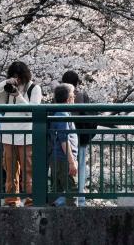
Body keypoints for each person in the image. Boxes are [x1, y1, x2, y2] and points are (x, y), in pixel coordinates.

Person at [0, 61, 42, 207]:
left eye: (18, 76)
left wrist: (18, 96)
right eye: (13, 76)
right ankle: (11, 200)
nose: (17, 79)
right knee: (10, 170)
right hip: (8, 134)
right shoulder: (8, 89)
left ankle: (31, 200)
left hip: (26, 135)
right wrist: (6, 82)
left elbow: (31, 112)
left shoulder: (34, 89)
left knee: (29, 170)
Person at [62, 70, 94, 207]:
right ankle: (80, 198)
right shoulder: (82, 96)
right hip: (81, 138)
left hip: (63, 139)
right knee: (80, 167)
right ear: (77, 82)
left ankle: (65, 197)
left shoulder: (60, 97)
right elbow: (91, 118)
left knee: (64, 168)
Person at [50, 83, 78, 206]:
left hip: (58, 158)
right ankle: (75, 220)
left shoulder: (59, 112)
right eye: (73, 95)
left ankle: (49, 215)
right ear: (68, 99)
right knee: (72, 191)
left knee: (56, 191)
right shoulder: (62, 114)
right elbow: (64, 140)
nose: (74, 98)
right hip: (63, 159)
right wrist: (72, 162)